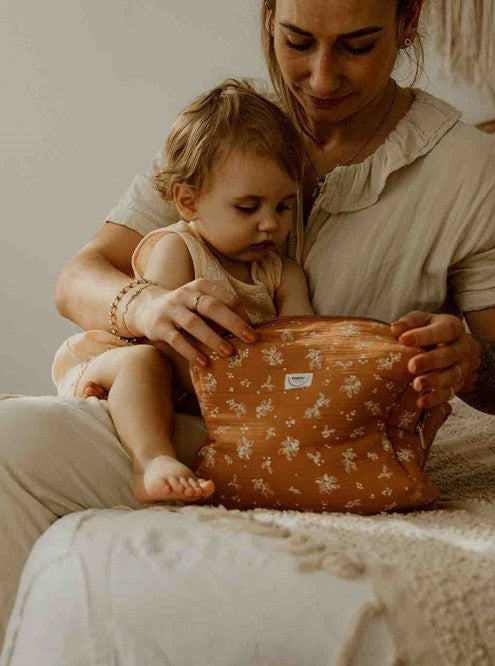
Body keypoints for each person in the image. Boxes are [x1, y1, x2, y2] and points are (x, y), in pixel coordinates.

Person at [0, 1, 495, 663]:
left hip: (331, 452)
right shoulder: (226, 135)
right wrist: (145, 307)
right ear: (268, 18)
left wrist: (470, 361)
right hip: (179, 426)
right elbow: (77, 279)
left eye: (357, 46)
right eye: (297, 41)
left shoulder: (468, 171)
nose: (321, 78)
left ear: (409, 24)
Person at [50, 79, 315, 504]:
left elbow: (306, 343)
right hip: (128, 368)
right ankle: (151, 461)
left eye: (283, 206)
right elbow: (167, 345)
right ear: (189, 202)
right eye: (248, 208)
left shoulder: (282, 275)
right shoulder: (178, 249)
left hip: (217, 391)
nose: (271, 223)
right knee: (145, 363)